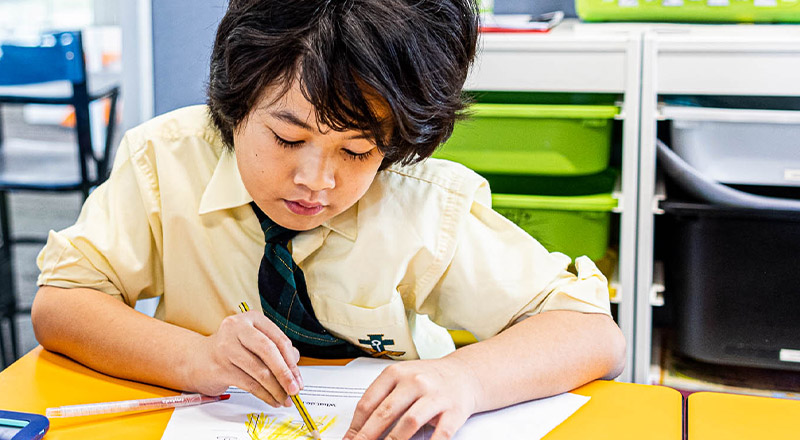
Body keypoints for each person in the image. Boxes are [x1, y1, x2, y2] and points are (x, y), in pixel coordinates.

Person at [31, 1, 626, 439]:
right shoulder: (164, 161)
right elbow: (62, 302)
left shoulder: (418, 201)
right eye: (288, 138)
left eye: (358, 151)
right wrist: (194, 359)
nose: (316, 180)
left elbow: (591, 333)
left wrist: (464, 378)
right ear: (236, 100)